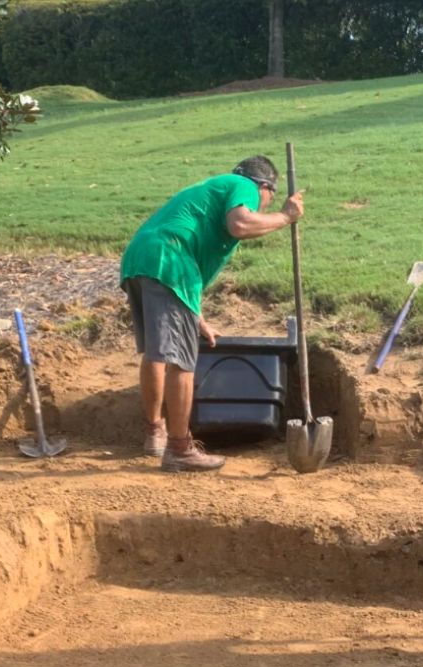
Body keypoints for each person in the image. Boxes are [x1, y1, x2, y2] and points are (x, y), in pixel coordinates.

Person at [120, 156, 305, 472]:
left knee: (157, 353)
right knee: (182, 358)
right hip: (169, 261)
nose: (261, 208)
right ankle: (179, 448)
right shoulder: (243, 186)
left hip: (142, 260)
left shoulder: (214, 190)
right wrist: (286, 216)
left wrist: (197, 319)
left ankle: (155, 432)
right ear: (265, 187)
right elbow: (241, 224)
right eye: (267, 200)